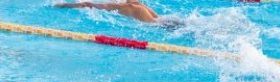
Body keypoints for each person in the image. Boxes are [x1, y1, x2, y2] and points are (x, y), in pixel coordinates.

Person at [55, 1, 184, 28]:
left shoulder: (114, 5)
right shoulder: (133, 3)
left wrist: (63, 5)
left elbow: (87, 5)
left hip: (158, 24)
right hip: (169, 20)